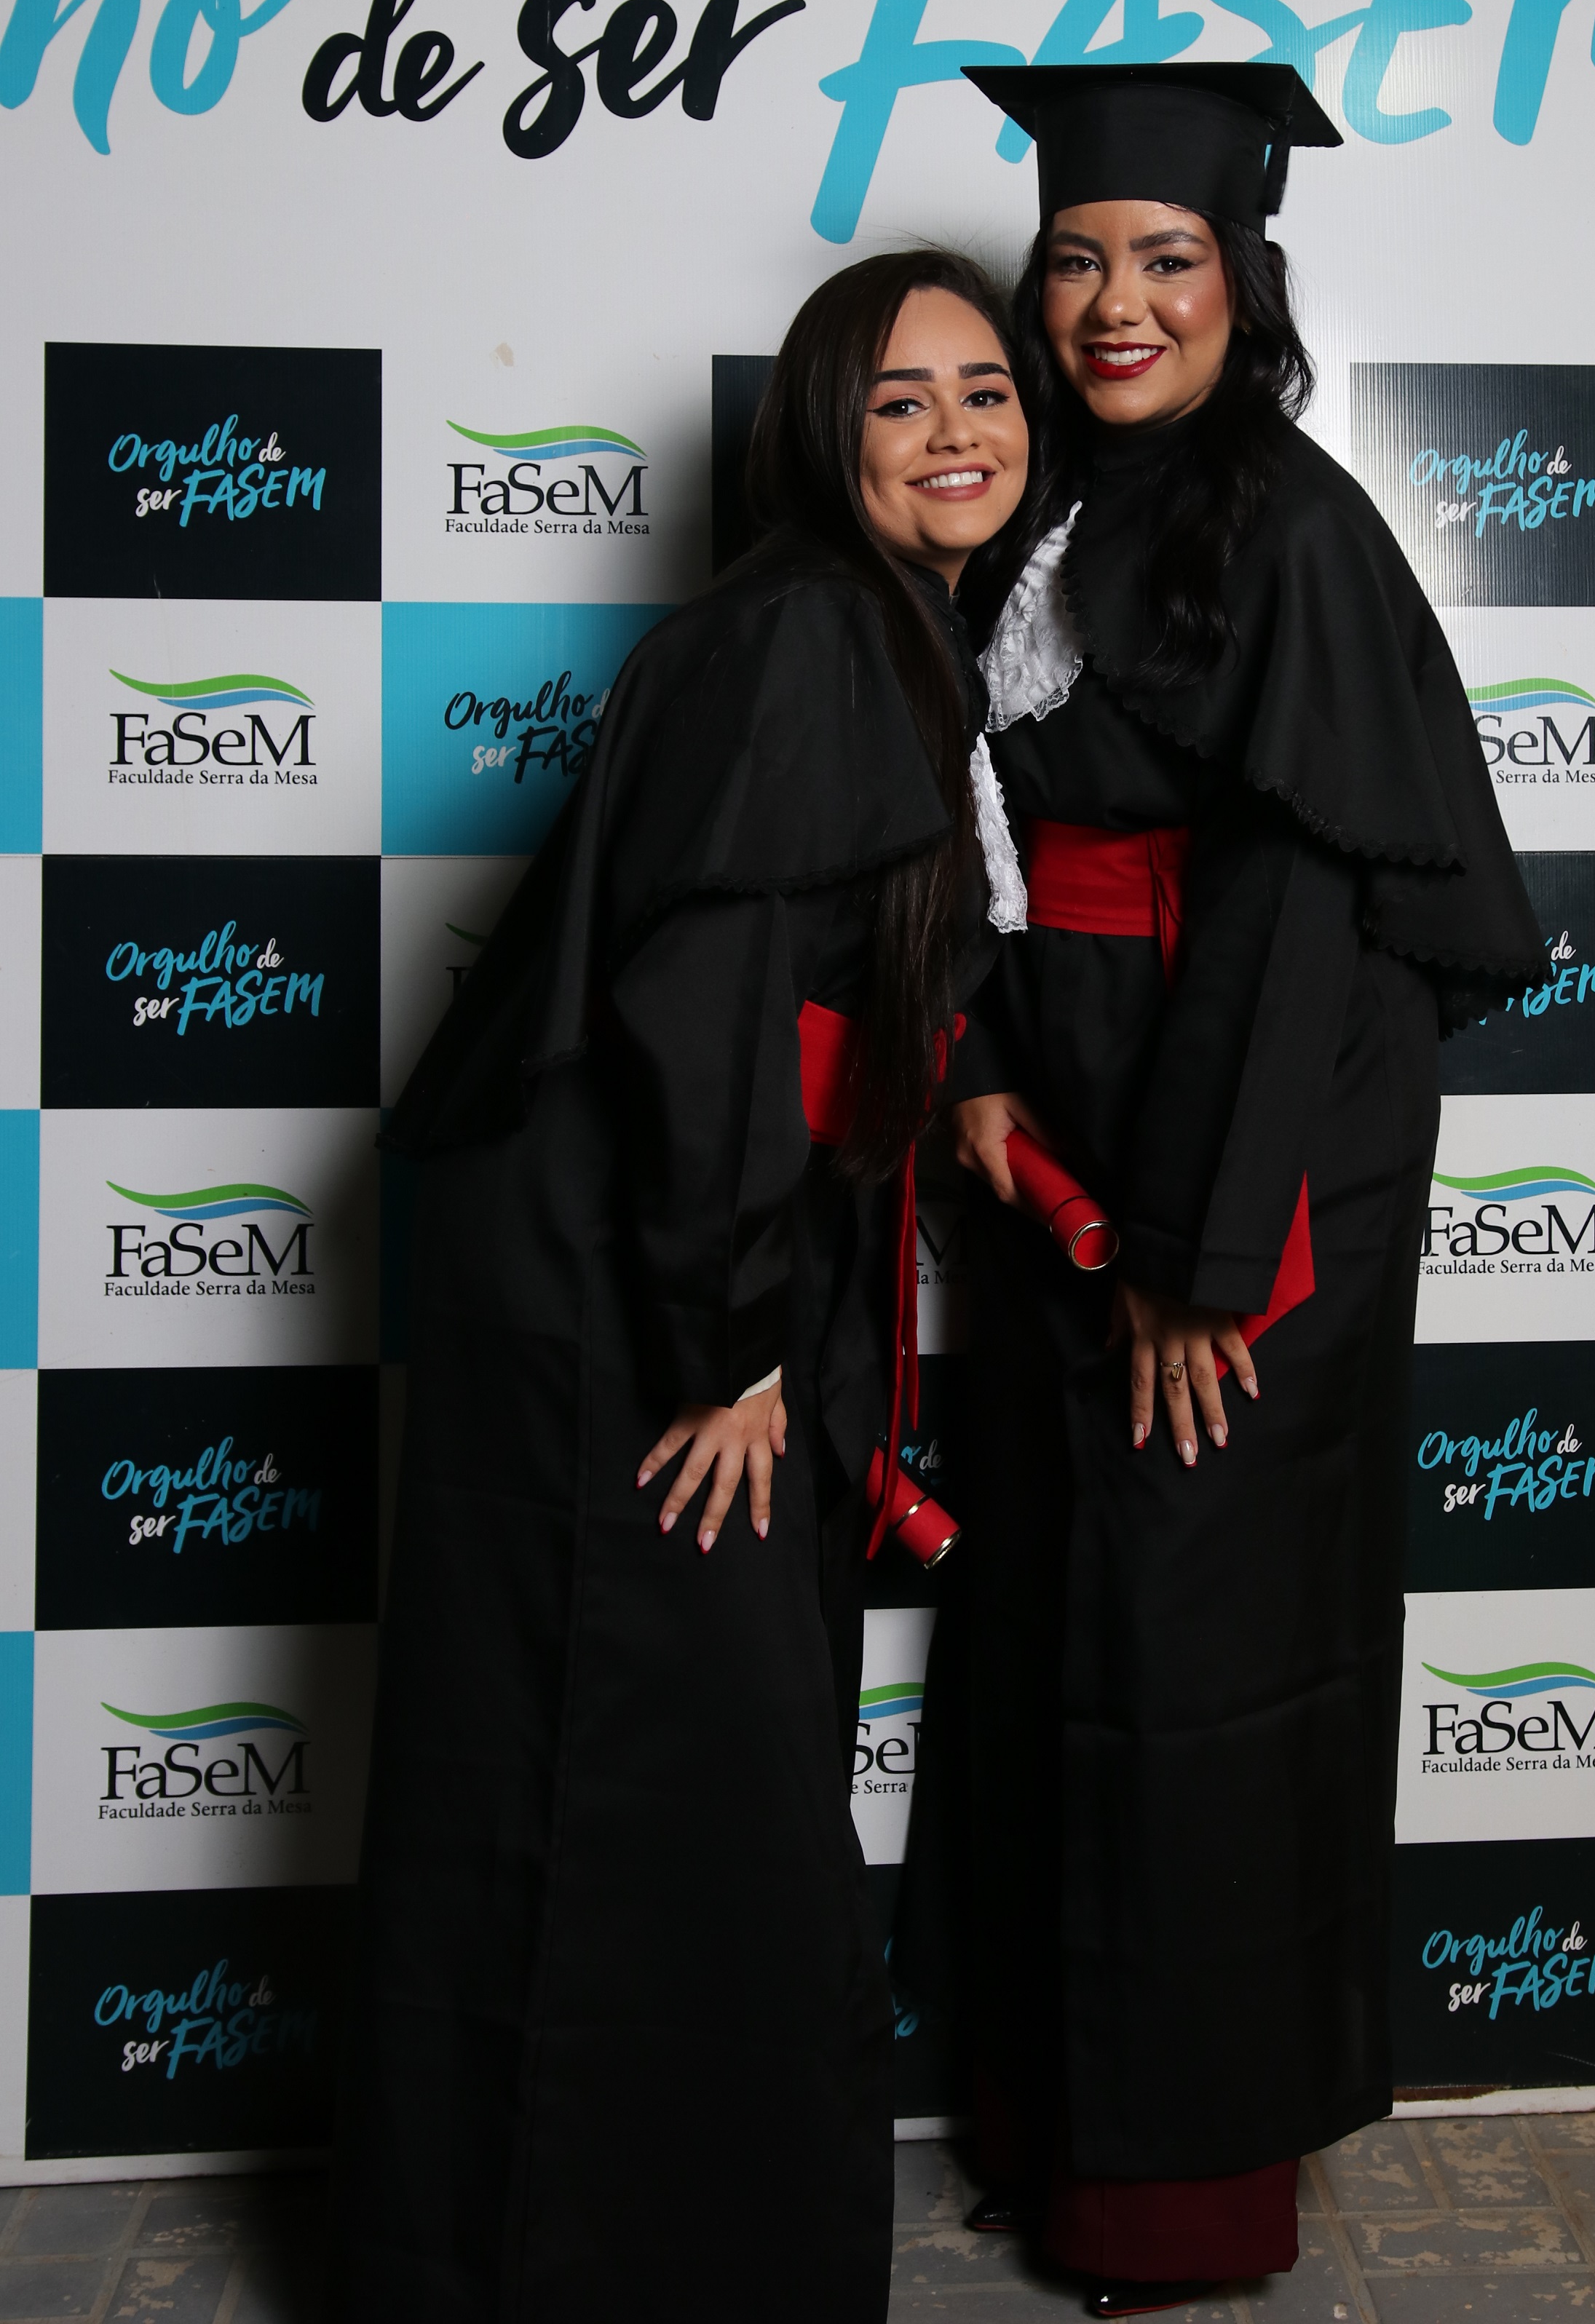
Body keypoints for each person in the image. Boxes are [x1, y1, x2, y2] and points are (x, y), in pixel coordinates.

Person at [330, 249, 1029, 2324]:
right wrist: (726, 1345)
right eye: (899, 399)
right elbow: (709, 997)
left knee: (691, 1769)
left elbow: (821, 968)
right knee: (644, 1760)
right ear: (820, 432)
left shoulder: (879, 628)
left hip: (696, 1238)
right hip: (636, 1276)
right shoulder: (814, 628)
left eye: (983, 390)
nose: (956, 431)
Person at [906, 63, 1546, 2323]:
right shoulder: (1032, 500)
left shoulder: (1285, 523)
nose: (1113, 301)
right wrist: (978, 1073)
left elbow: (1290, 919)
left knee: (1198, 1643)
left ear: (1239, 282)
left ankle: (1173, 2203)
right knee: (1055, 1615)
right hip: (1067, 1120)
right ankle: (1041, 2125)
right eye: (1076, 258)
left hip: (1253, 1139)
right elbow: (968, 836)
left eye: (1163, 260)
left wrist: (1196, 1260)